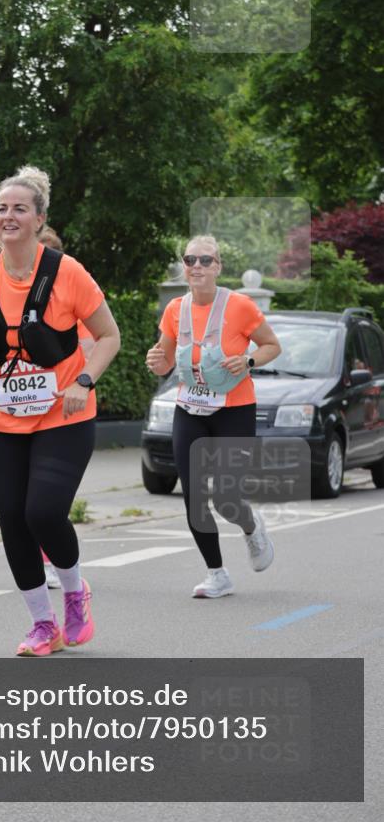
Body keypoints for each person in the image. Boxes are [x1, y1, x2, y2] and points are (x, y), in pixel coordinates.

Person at [0, 166, 120, 655]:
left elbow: (109, 336)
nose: (8, 216)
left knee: (43, 513)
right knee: (12, 520)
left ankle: (75, 593)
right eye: (2, 209)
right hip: (1, 418)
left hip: (64, 416)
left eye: (19, 209)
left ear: (39, 218)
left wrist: (84, 381)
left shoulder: (67, 272)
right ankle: (43, 625)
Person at [146, 235, 281, 598]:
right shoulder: (175, 309)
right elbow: (165, 360)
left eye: (206, 260)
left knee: (225, 497)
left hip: (234, 410)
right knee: (193, 494)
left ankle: (251, 527)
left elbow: (272, 345)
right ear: (184, 267)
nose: (197, 266)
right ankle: (216, 574)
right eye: (190, 260)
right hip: (189, 408)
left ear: (218, 266)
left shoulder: (240, 306)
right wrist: (156, 360)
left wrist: (248, 360)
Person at [38, 226, 94, 589]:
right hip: (20, 416)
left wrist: (69, 378)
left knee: (47, 504)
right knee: (25, 502)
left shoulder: (71, 298)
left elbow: (91, 347)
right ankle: (43, 561)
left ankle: (58, 563)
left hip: (63, 414)